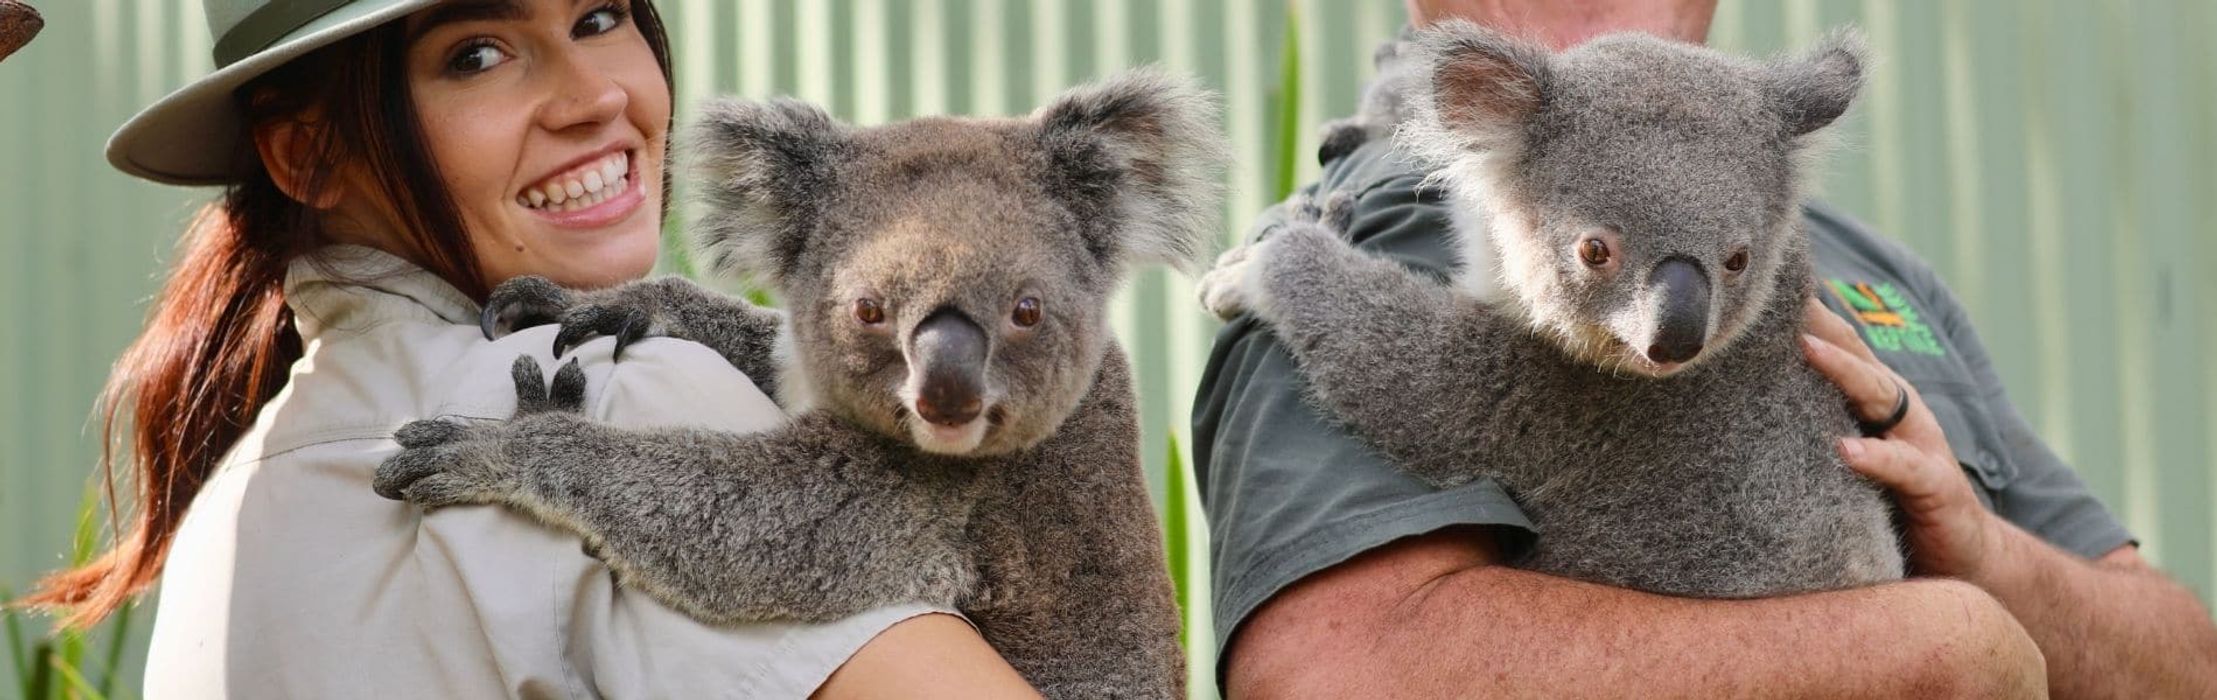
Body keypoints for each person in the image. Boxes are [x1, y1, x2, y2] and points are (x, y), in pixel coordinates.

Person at [1193, 1, 2217, 697]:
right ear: (1473, 115)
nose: (1667, 337)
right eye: (1595, 247)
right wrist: (1944, 644)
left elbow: (2188, 663)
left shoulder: (1863, 262)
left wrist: (1983, 551)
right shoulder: (1383, 228)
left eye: (1737, 258)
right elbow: (1338, 673)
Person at [20, 0, 1037, 696]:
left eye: (600, 16)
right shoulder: (597, 399)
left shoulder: (232, 512)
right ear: (307, 150)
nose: (594, 94)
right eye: (478, 53)